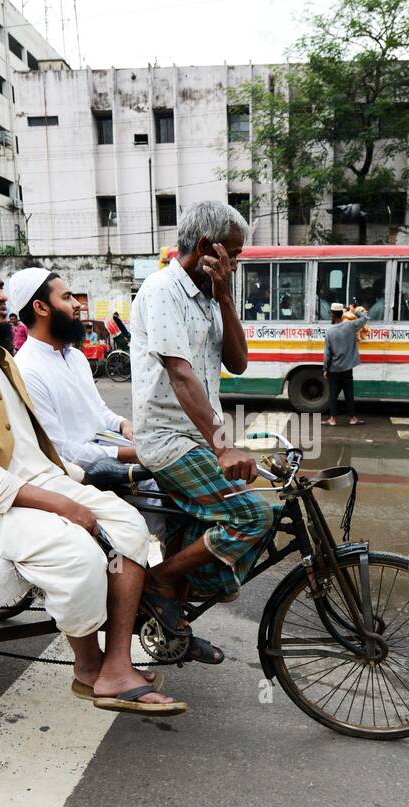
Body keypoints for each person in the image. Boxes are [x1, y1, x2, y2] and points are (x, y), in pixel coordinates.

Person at [0, 245, 182, 715]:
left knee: (129, 526)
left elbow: (32, 446)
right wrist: (63, 506)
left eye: (1, 285)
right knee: (78, 551)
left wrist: (75, 483)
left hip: (37, 482)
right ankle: (89, 669)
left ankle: (116, 666)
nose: (2, 297)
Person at [130, 200, 277, 665]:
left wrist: (228, 297)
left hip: (199, 436)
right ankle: (160, 580)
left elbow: (237, 362)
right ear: (204, 247)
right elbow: (180, 373)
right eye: (232, 253)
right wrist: (223, 445)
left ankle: (171, 611)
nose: (236, 262)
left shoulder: (211, 297)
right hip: (169, 441)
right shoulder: (161, 291)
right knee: (253, 517)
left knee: (212, 530)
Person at [10, 267, 139, 468]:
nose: (77, 304)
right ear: (41, 308)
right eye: (67, 297)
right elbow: (61, 451)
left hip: (110, 445)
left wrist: (123, 424)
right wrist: (131, 455)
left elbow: (97, 411)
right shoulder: (27, 370)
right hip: (89, 471)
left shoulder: (76, 357)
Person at [324, 302, 368, 426]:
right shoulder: (350, 326)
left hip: (334, 369)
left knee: (333, 394)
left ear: (332, 315)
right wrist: (354, 311)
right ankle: (352, 418)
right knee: (349, 394)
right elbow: (364, 318)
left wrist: (325, 369)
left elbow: (327, 354)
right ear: (342, 313)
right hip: (347, 368)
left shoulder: (330, 332)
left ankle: (332, 419)